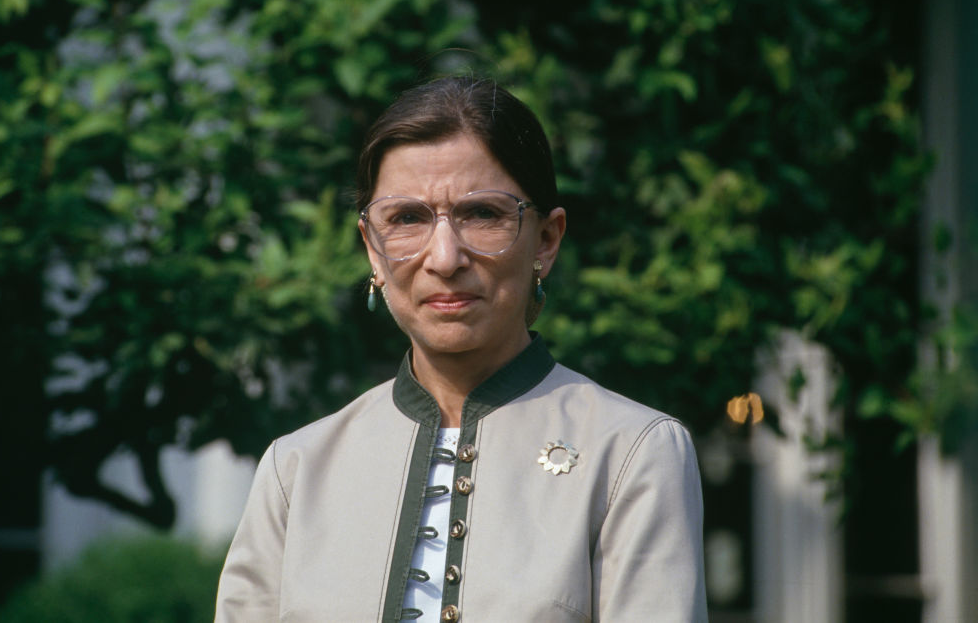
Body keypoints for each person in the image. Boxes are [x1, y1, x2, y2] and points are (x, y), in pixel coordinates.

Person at [215, 76, 707, 622]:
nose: (445, 258)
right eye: (406, 219)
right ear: (372, 251)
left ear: (546, 240)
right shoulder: (297, 470)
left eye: (483, 214)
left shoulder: (630, 453)